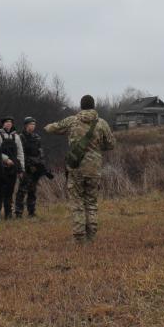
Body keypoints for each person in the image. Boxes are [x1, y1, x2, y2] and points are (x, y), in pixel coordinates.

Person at [45, 95, 115, 244]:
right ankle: (91, 236)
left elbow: (51, 128)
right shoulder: (102, 123)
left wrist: (49, 127)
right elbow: (111, 144)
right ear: (94, 106)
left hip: (75, 167)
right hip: (94, 168)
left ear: (81, 106)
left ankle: (79, 238)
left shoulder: (72, 121)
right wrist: (96, 148)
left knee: (77, 203)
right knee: (91, 203)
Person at [15, 117, 48, 218]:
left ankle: (31, 212)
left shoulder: (37, 137)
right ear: (26, 125)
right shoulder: (21, 137)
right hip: (26, 167)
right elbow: (21, 153)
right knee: (22, 191)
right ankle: (18, 212)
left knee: (32, 191)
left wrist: (40, 164)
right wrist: (28, 165)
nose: (32, 126)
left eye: (34, 124)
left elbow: (40, 151)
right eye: (30, 124)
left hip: (36, 167)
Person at [0, 117, 24, 221]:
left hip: (13, 169)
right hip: (1, 168)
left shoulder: (16, 136)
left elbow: (20, 154)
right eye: (6, 122)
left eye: (10, 122)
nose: (9, 124)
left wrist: (21, 169)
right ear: (2, 124)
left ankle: (8, 215)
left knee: (10, 193)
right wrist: (5, 160)